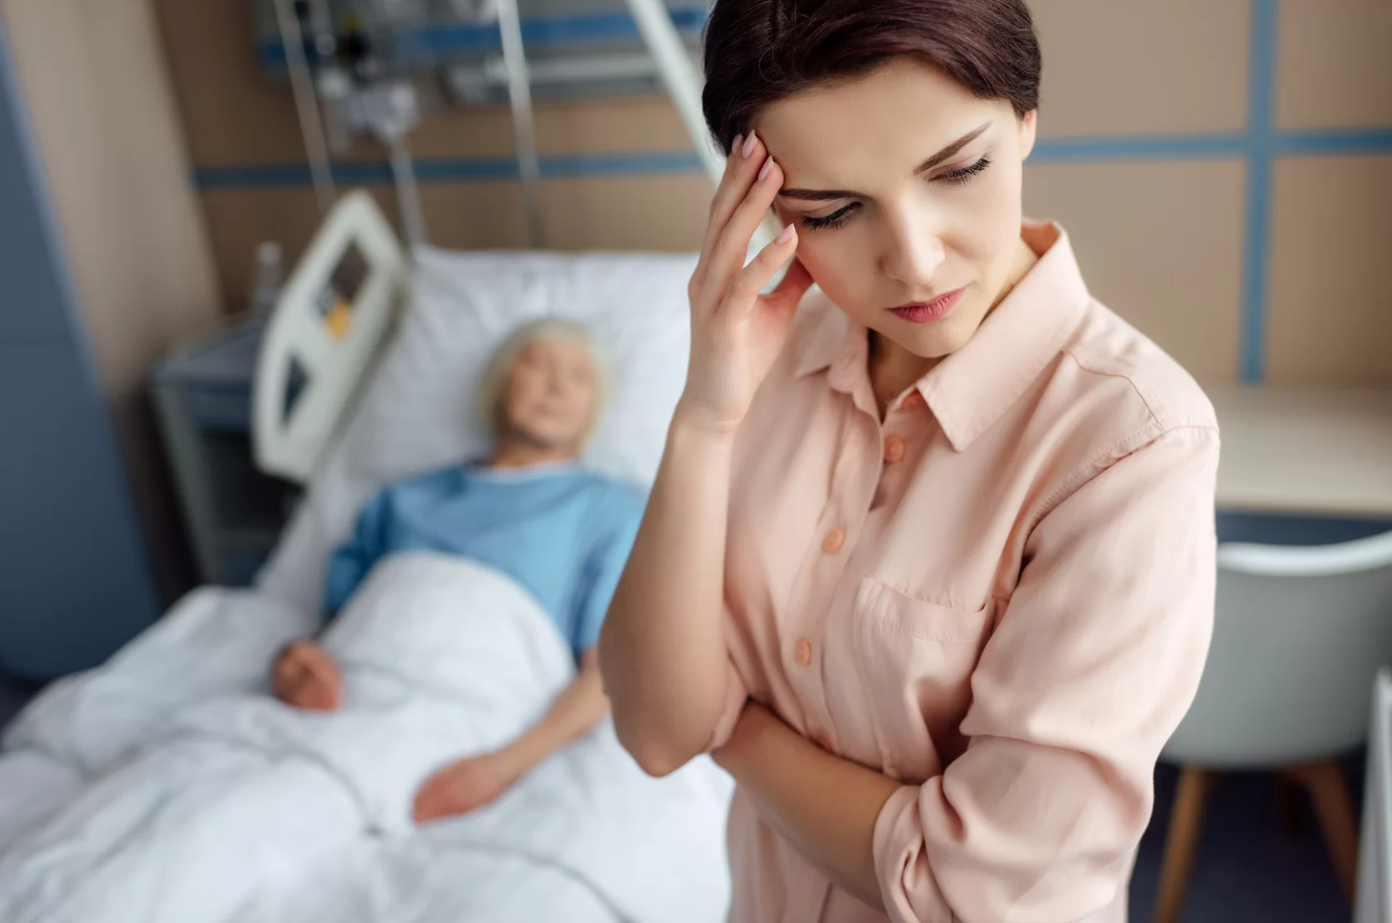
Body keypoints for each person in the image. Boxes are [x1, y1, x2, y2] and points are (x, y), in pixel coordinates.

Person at [599, 3, 1219, 922]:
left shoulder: (1131, 444)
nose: (917, 262)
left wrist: (732, 728)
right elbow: (654, 728)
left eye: (959, 170)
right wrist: (703, 417)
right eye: (835, 210)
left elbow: (971, 892)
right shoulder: (763, 367)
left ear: (1025, 122)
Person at [273, 318, 644, 824]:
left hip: (464, 718)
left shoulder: (606, 509)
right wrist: (296, 665)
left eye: (578, 377)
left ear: (593, 410)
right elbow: (335, 625)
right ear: (498, 385)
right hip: (340, 702)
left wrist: (500, 769)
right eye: (537, 364)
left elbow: (608, 674)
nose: (556, 385)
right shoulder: (402, 499)